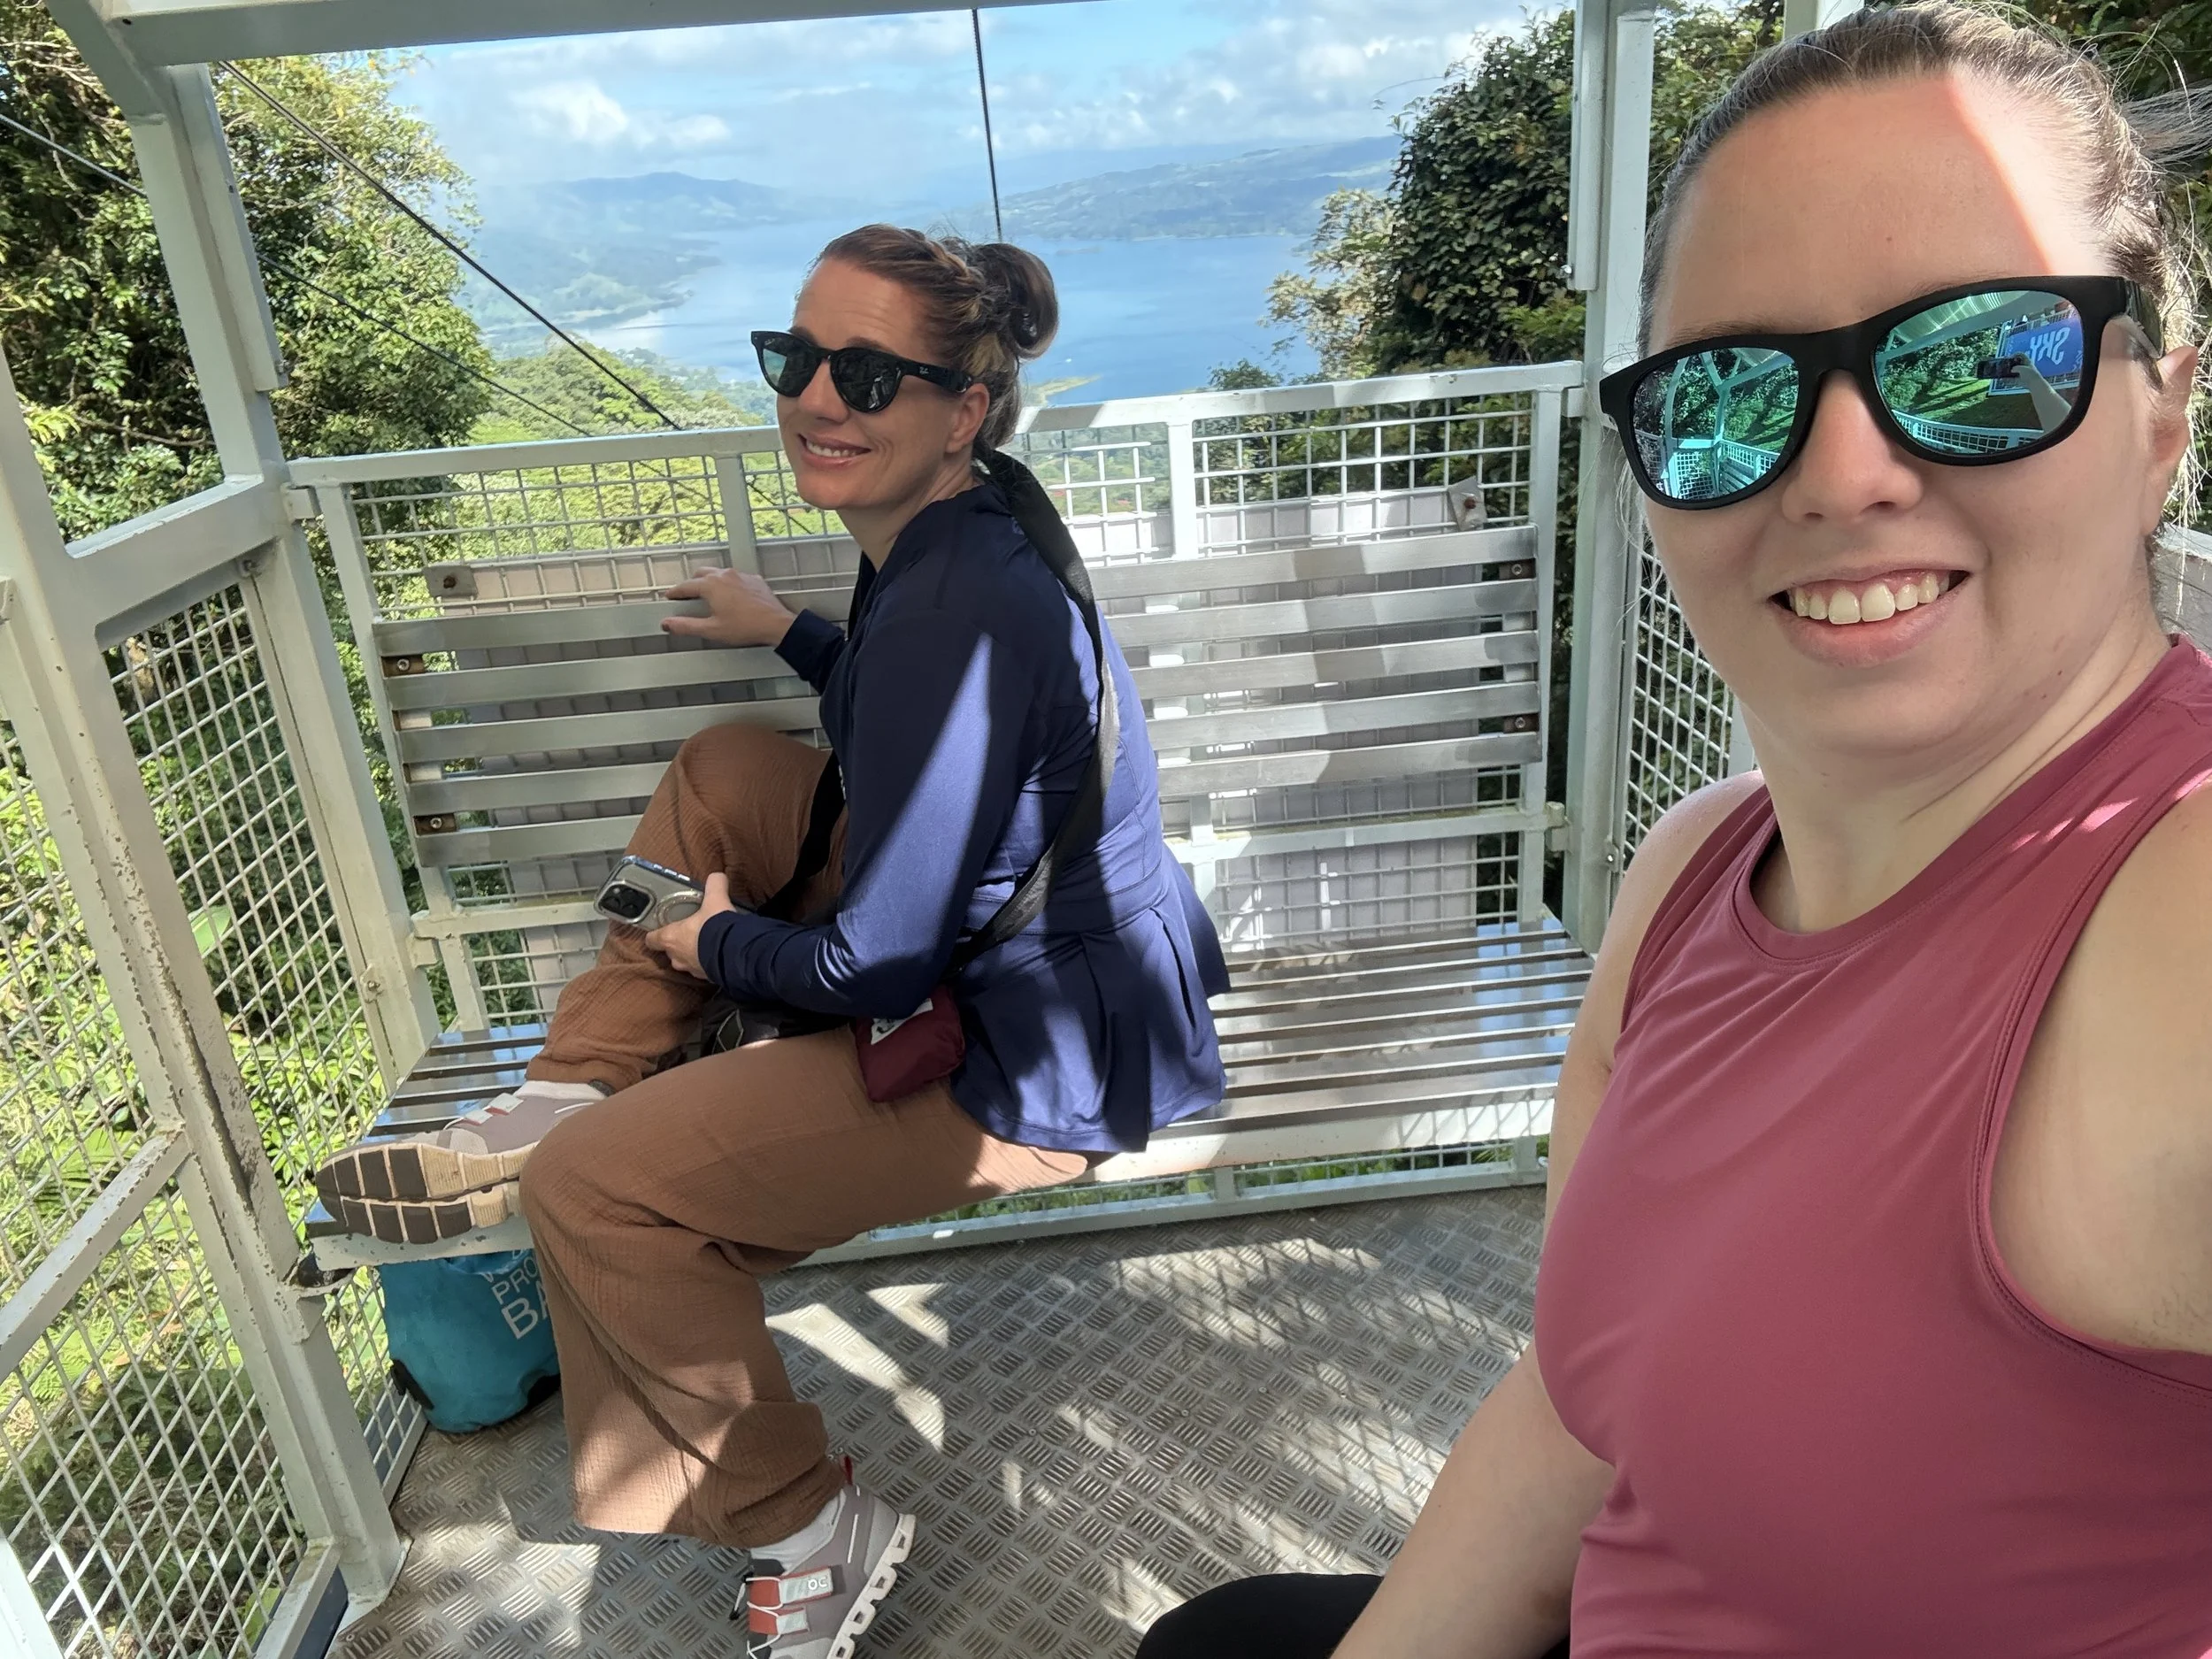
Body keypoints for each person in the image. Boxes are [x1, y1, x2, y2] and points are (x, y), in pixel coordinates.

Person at [1141, 6, 2212, 1655]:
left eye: (1983, 363)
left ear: (2158, 416)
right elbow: (1592, 1413)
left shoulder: (2174, 909)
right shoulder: (1689, 874)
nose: (1845, 472)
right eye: (1725, 397)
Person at [315, 225, 1228, 1658]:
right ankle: (577, 1077)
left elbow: (877, 967)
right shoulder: (956, 526)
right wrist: (793, 631)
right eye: (795, 358)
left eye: (867, 376)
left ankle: (807, 1516)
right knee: (732, 763)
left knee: (597, 1198)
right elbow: (912, 725)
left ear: (961, 408)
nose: (817, 398)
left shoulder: (959, 602)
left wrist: (714, 945)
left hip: (1030, 1052)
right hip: (1025, 955)